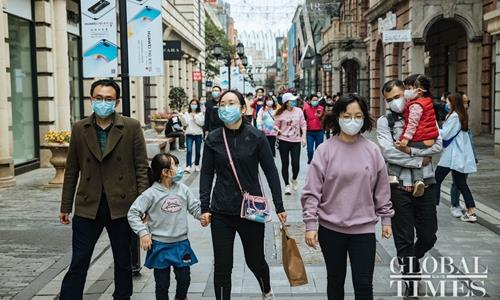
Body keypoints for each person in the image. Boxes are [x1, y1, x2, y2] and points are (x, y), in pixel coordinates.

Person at [59, 79, 149, 299]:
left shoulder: (131, 126)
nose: (103, 103)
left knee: (123, 261)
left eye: (108, 99)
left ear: (116, 102)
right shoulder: (80, 128)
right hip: (88, 204)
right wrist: (65, 205)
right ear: (91, 99)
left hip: (122, 205)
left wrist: (143, 204)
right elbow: (71, 169)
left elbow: (141, 167)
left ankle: (122, 296)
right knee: (79, 259)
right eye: (98, 98)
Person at [302, 93, 394, 300]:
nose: (352, 120)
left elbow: (382, 188)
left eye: (357, 115)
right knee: (335, 281)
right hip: (331, 229)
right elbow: (311, 191)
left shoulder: (372, 151)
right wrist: (310, 224)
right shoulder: (325, 151)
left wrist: (386, 219)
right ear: (337, 117)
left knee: (363, 284)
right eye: (347, 115)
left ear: (364, 118)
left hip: (363, 230)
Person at [199, 90, 287, 300]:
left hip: (251, 210)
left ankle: (266, 289)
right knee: (222, 266)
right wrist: (204, 207)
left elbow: (271, 171)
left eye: (231, 103)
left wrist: (279, 205)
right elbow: (206, 173)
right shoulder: (213, 138)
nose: (226, 107)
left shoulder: (256, 136)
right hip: (221, 210)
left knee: (255, 260)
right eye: (222, 104)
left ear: (242, 108)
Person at [377, 79, 441, 298]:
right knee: (403, 240)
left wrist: (410, 152)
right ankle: (410, 282)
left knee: (428, 236)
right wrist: (419, 160)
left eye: (397, 96)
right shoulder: (384, 122)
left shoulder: (424, 111)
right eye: (389, 99)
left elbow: (439, 144)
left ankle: (412, 259)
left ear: (406, 92)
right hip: (398, 187)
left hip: (427, 185)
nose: (395, 102)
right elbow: (388, 152)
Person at [128, 153, 206, 300]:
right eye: (175, 165)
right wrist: (143, 233)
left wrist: (201, 215)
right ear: (165, 172)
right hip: (159, 245)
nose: (178, 168)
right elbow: (133, 213)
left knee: (184, 279)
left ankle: (180, 297)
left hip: (181, 244)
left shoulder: (183, 189)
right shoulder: (150, 194)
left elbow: (194, 207)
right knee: (162, 284)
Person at [389, 74, 439, 197]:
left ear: (419, 90)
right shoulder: (427, 102)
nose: (406, 92)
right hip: (428, 139)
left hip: (419, 138)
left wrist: (405, 140)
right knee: (416, 158)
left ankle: (393, 175)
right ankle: (419, 181)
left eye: (409, 88)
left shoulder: (416, 105)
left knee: (398, 148)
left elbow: (412, 124)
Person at [435, 92, 477, 222]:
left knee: (436, 180)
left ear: (453, 103)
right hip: (455, 155)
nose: (446, 104)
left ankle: (431, 207)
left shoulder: (454, 117)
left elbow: (445, 135)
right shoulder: (460, 115)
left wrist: (435, 126)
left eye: (448, 102)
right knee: (461, 183)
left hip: (451, 156)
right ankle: (471, 210)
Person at [449, 93, 479, 217]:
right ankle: (455, 204)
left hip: (466, 156)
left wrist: (474, 157)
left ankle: (458, 204)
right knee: (458, 182)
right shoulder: (455, 117)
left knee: (461, 181)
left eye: (468, 102)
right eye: (464, 102)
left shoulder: (463, 116)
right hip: (458, 156)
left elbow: (469, 142)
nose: (466, 105)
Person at [274, 92, 307, 195]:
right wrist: (278, 129)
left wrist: (303, 137)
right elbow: (275, 125)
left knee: (296, 164)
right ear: (286, 102)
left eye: (294, 100)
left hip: (296, 140)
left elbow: (303, 125)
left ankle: (294, 178)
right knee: (285, 164)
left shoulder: (299, 111)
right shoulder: (280, 113)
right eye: (291, 100)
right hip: (283, 140)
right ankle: (287, 185)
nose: (294, 102)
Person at [183, 99, 205, 173]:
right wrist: (182, 117)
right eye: (192, 104)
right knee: (189, 150)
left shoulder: (200, 114)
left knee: (198, 151)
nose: (193, 105)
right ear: (190, 105)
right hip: (189, 134)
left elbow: (202, 123)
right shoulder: (187, 113)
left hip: (198, 134)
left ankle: (196, 165)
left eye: (195, 104)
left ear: (197, 105)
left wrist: (195, 116)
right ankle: (188, 166)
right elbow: (185, 124)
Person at [303, 94, 325, 164]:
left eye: (316, 100)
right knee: (310, 150)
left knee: (318, 149)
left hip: (319, 131)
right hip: (310, 132)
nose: (315, 101)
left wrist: (320, 117)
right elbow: (303, 120)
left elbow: (325, 119)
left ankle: (317, 162)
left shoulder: (321, 108)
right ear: (310, 101)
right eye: (313, 100)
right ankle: (310, 159)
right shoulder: (306, 109)